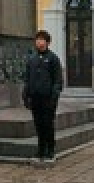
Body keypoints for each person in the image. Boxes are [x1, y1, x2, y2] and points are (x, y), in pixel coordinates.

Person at [22, 29, 64, 163]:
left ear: (47, 42)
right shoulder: (31, 59)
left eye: (42, 40)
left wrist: (54, 96)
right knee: (38, 124)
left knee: (48, 124)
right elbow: (27, 79)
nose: (39, 42)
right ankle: (40, 150)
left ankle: (50, 150)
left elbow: (58, 80)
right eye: (37, 39)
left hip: (48, 98)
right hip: (35, 98)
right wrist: (26, 95)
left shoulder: (53, 59)